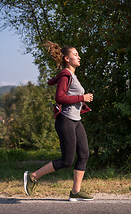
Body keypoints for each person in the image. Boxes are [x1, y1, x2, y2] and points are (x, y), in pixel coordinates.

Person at [24, 40, 94, 201]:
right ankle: (33, 176)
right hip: (66, 121)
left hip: (76, 120)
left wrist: (81, 101)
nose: (79, 57)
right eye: (75, 55)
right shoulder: (65, 75)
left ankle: (75, 192)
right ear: (67, 59)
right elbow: (60, 97)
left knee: (84, 154)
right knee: (67, 160)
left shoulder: (72, 76)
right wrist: (82, 97)